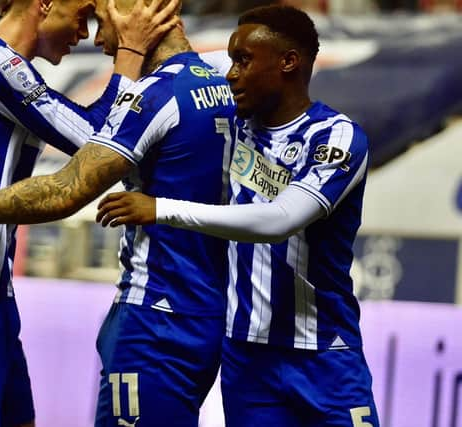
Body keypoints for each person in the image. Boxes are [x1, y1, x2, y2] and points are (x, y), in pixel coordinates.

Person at [0, 0, 237, 425]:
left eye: (97, 20)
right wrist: (132, 54)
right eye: (84, 16)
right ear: (45, 4)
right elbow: (91, 139)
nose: (88, 36)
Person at [96, 5, 380, 427]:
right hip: (247, 359)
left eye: (243, 60)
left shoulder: (335, 136)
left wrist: (162, 209)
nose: (231, 73)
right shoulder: (231, 128)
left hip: (327, 355)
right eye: (230, 60)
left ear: (288, 62)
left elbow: (281, 219)